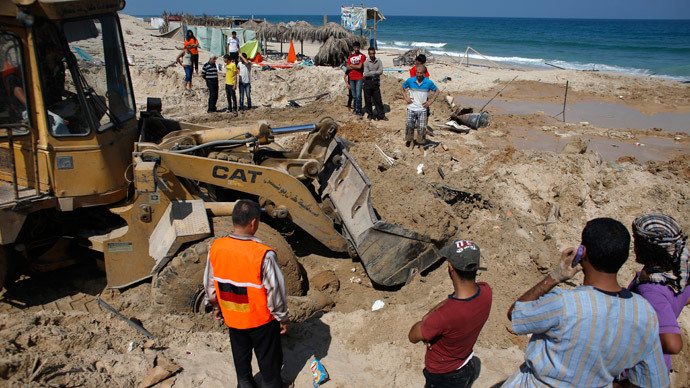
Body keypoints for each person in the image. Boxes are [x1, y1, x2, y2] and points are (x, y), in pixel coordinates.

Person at [502, 218, 669, 388]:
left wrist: (555, 277)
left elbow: (515, 314)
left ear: (583, 252)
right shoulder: (645, 313)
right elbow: (653, 380)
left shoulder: (564, 304)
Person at [203, 199, 290, 388]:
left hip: (232, 316)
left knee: (241, 357)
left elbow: (209, 282)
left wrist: (216, 305)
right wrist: (282, 317)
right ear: (254, 223)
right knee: (268, 359)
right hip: (261, 321)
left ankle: (245, 384)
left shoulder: (216, 247)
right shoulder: (263, 254)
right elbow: (275, 290)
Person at [408, 240, 492, 388]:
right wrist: (431, 324)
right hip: (466, 362)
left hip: (443, 376)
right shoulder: (486, 291)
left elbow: (413, 336)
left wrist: (427, 322)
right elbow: (454, 303)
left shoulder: (444, 316)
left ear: (450, 267)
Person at [629, 213, 690, 373]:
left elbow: (673, 344)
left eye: (636, 241)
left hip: (640, 373)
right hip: (658, 369)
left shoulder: (650, 289)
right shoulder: (678, 273)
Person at [400, 64, 438, 147]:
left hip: (422, 109)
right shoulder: (410, 81)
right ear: (415, 72)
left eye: (421, 73)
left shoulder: (428, 83)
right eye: (418, 72)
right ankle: (411, 142)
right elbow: (402, 87)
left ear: (424, 73)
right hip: (411, 108)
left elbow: (437, 91)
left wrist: (430, 102)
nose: (419, 75)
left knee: (422, 128)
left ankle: (421, 144)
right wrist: (406, 97)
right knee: (409, 126)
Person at [362, 47, 387, 121]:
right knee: (368, 99)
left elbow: (381, 71)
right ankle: (370, 114)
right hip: (367, 82)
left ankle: (381, 115)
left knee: (378, 99)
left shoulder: (378, 61)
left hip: (375, 82)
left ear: (375, 53)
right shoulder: (366, 62)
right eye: (370, 54)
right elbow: (366, 74)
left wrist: (372, 72)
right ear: (368, 54)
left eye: (373, 53)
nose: (372, 55)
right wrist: (376, 71)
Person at [346, 41, 366, 117]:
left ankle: (359, 111)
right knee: (354, 96)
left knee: (358, 95)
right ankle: (355, 109)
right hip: (351, 77)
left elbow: (360, 67)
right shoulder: (350, 56)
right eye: (355, 47)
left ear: (359, 47)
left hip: (359, 77)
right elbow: (347, 67)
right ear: (353, 48)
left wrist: (352, 65)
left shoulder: (362, 56)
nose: (356, 48)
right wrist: (354, 66)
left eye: (357, 47)